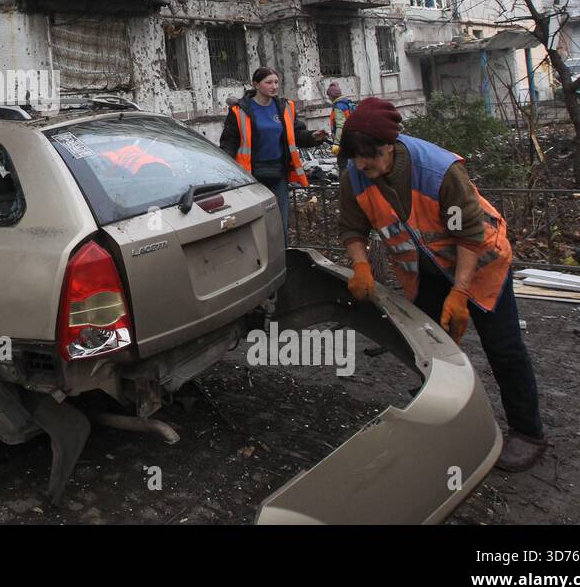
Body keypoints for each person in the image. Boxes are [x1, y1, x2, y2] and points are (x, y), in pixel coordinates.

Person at [337, 97, 546, 472]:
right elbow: (353, 228)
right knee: (430, 345)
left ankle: (528, 433)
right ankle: (441, 414)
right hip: (425, 271)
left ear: (388, 146)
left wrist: (461, 292)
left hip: (481, 266)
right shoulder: (356, 174)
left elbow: (470, 234)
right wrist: (361, 267)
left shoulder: (437, 171)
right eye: (355, 159)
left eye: (367, 158)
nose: (361, 166)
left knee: (503, 348)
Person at [219, 67, 327, 238]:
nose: (274, 86)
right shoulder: (239, 111)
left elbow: (296, 135)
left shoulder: (285, 107)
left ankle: (281, 258)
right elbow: (229, 143)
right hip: (251, 176)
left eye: (276, 82)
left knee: (279, 224)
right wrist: (224, 168)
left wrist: (313, 136)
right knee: (254, 223)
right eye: (269, 82)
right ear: (256, 85)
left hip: (278, 173)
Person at [326, 82, 356, 164]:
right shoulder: (347, 103)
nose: (328, 98)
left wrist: (336, 144)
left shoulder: (339, 106)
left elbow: (340, 126)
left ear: (332, 96)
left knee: (343, 165)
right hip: (352, 139)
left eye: (329, 96)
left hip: (344, 142)